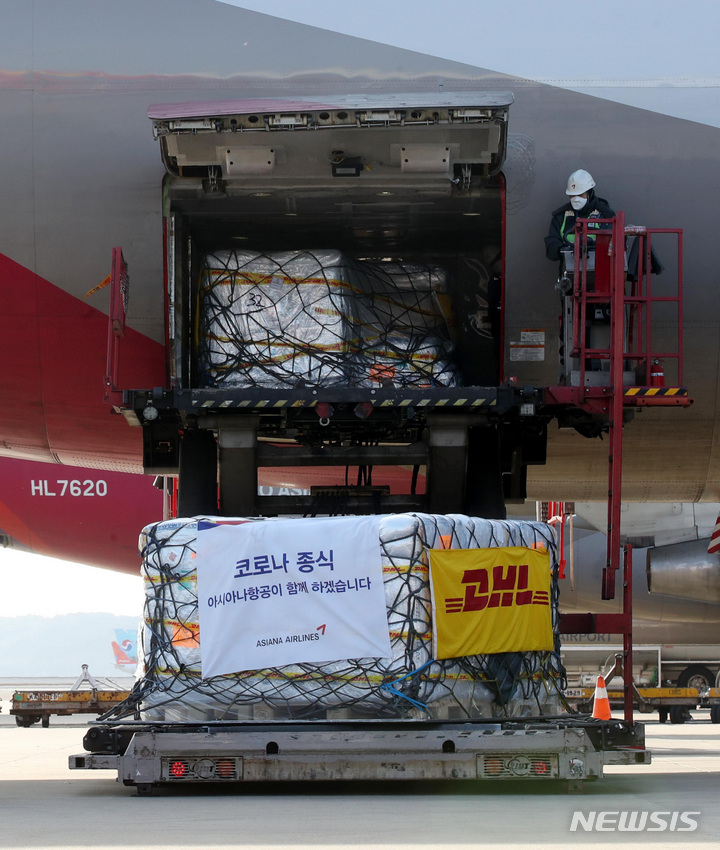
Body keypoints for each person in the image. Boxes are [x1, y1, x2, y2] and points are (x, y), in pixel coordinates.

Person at [545, 169, 615, 263]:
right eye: (572, 195)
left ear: (590, 193)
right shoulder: (561, 216)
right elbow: (551, 246)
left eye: (580, 194)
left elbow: (615, 243)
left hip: (600, 268)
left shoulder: (605, 214)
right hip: (570, 271)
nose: (576, 199)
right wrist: (564, 249)